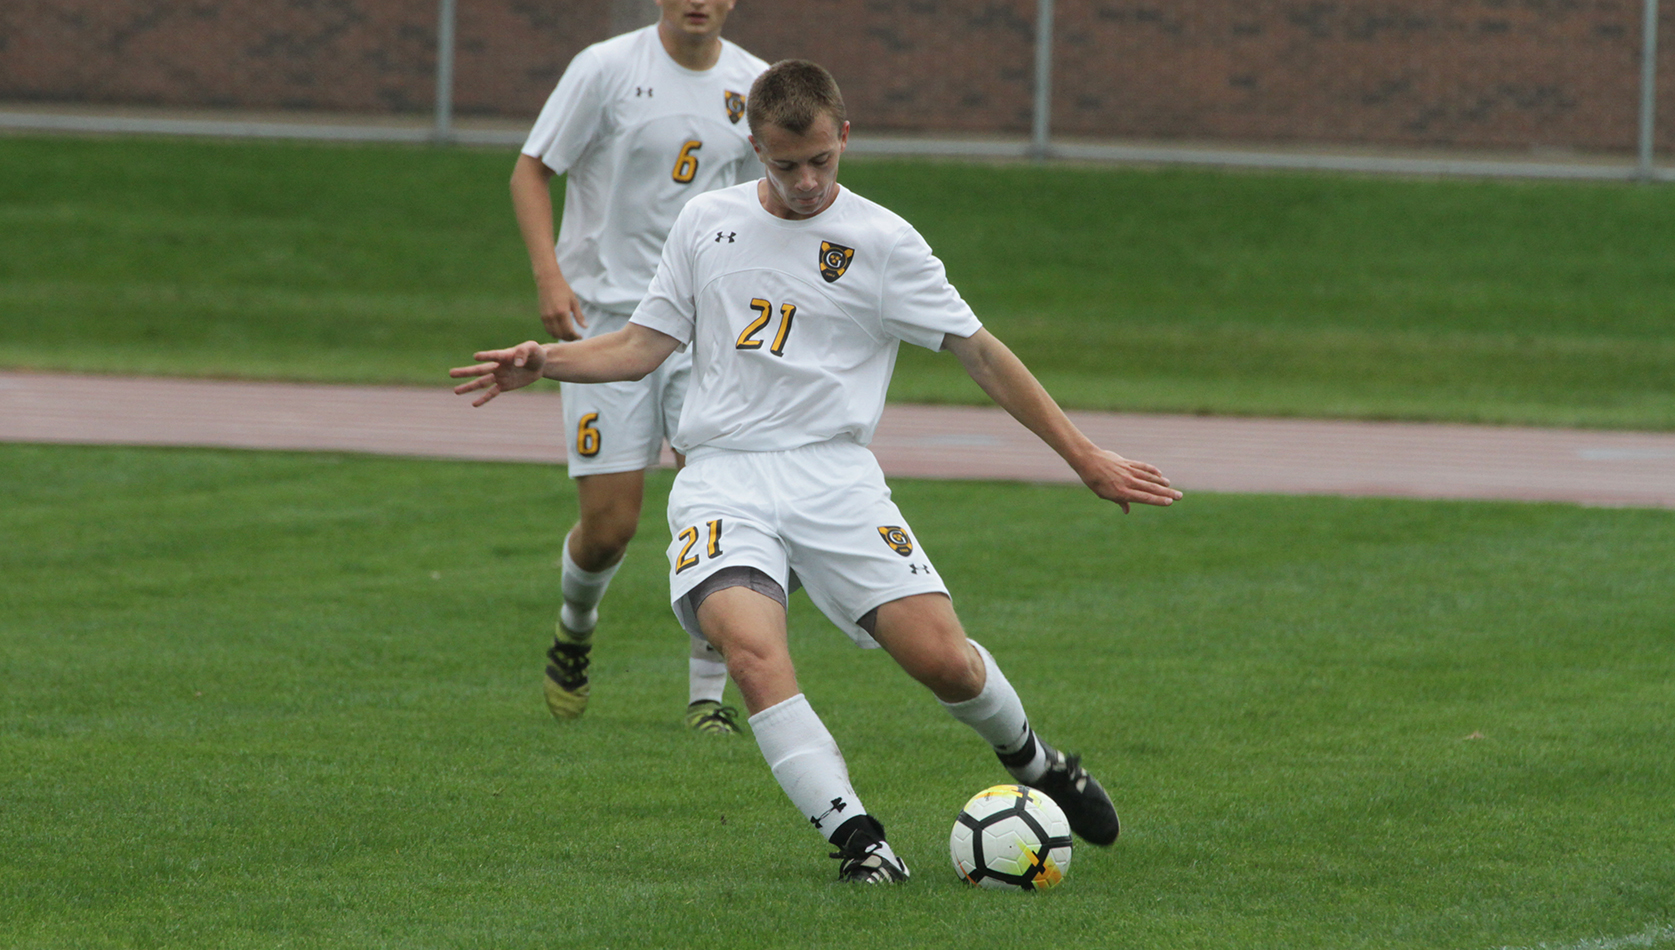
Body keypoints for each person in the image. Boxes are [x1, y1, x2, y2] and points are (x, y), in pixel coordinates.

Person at [455, 60, 1182, 883]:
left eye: (819, 163)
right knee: (751, 653)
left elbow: (978, 353)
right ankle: (859, 841)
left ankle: (1036, 762)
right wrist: (544, 360)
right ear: (754, 147)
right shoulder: (705, 223)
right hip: (723, 477)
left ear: (844, 136)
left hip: (834, 480)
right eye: (782, 165)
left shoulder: (883, 242)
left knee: (943, 661)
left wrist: (1084, 456)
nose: (804, 183)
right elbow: (639, 345)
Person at [512, 0, 767, 733]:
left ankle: (705, 699)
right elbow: (530, 171)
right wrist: (550, 277)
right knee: (611, 528)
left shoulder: (753, 84)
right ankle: (574, 627)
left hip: (702, 326)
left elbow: (761, 202)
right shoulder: (605, 69)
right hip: (607, 320)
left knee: (714, 500)